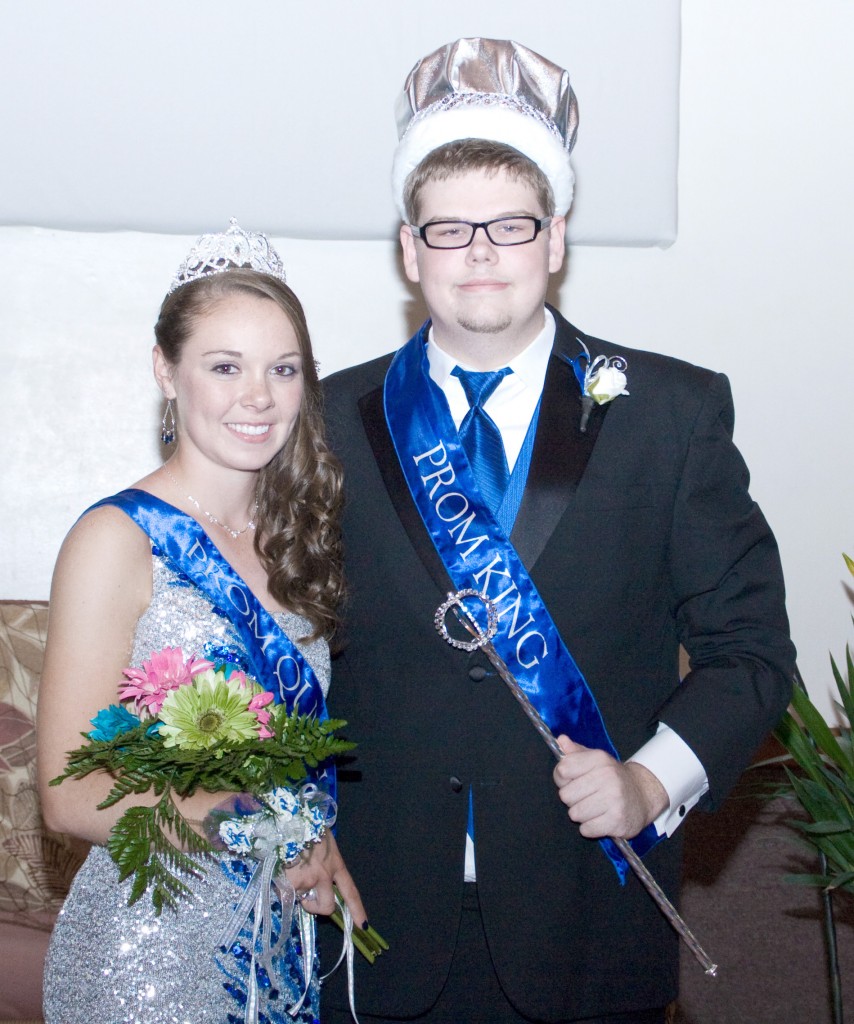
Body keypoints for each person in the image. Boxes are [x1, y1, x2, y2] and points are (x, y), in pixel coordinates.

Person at [319, 38, 795, 1024]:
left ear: (556, 239)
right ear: (408, 251)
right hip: (376, 922)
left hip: (585, 921)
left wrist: (644, 781)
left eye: (509, 223)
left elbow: (748, 654)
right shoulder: (325, 421)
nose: (480, 252)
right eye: (447, 230)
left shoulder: (667, 411)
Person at [37, 220, 365, 1024]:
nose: (258, 397)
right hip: (147, 951)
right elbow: (68, 797)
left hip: (271, 945)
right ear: (167, 370)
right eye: (226, 367)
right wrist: (265, 825)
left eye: (282, 370)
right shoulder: (116, 539)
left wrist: (312, 844)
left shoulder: (296, 542)